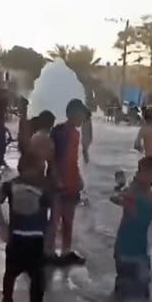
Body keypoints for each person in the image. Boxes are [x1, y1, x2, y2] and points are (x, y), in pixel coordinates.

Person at [0, 153, 51, 302]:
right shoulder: (42, 187)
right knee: (23, 277)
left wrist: (2, 226)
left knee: (20, 276)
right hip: (27, 238)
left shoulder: (14, 185)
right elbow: (54, 215)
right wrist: (2, 226)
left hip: (25, 238)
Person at [111, 157, 152, 302]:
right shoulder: (132, 193)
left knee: (143, 290)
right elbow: (115, 198)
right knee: (123, 289)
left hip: (143, 250)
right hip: (125, 250)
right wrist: (119, 188)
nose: (150, 177)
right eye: (144, 172)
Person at [47, 99, 88, 266]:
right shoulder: (58, 132)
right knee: (54, 219)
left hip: (71, 182)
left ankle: (66, 251)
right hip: (57, 183)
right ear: (71, 114)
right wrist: (56, 178)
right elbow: (52, 157)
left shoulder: (76, 134)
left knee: (68, 220)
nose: (82, 119)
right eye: (81, 115)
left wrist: (78, 178)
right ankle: (48, 252)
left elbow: (73, 160)